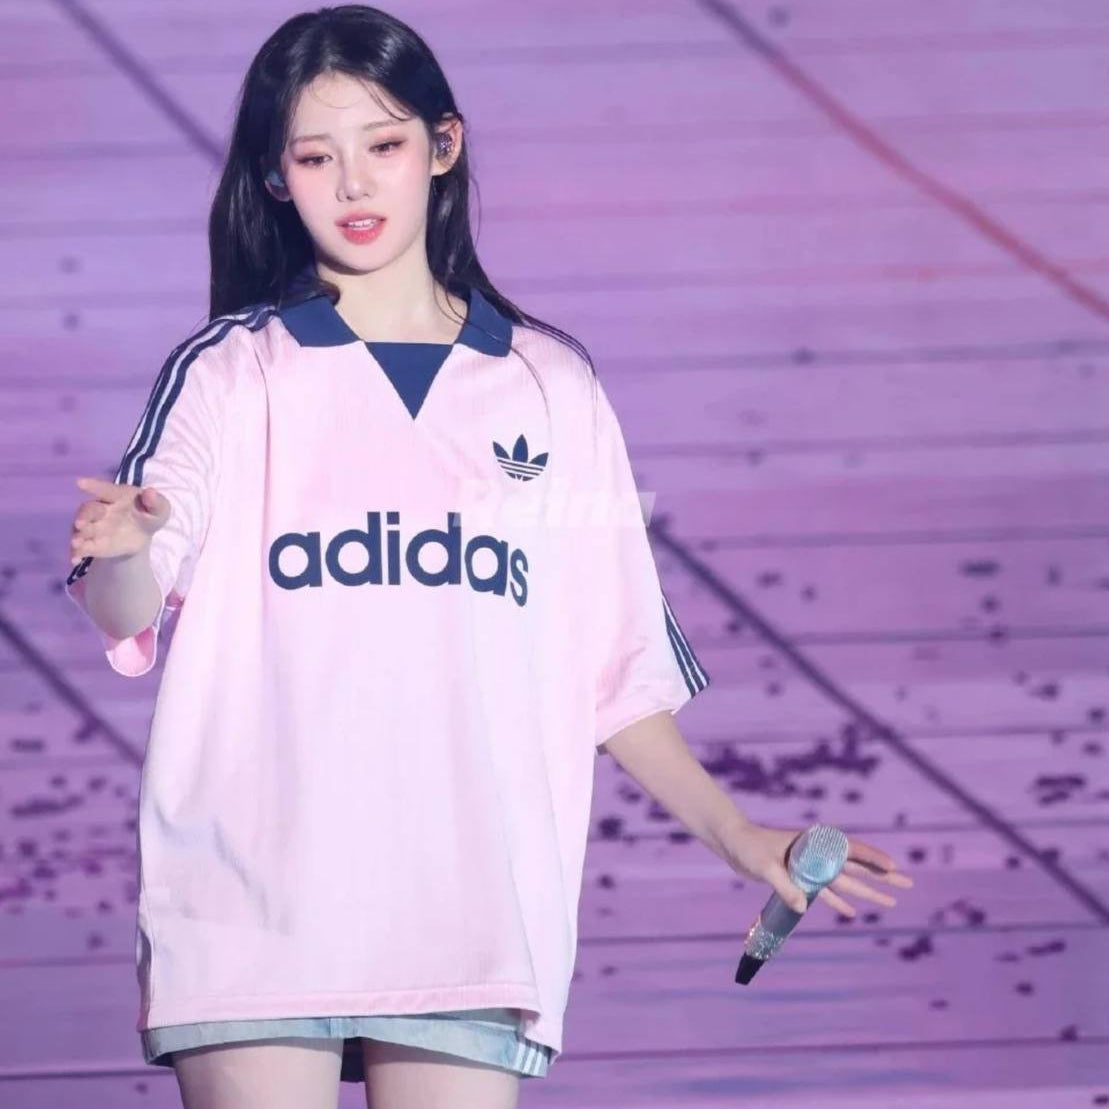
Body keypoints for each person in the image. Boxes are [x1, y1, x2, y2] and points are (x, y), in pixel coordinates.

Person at [64, 6, 913, 1108]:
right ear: (275, 178)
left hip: (469, 909)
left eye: (383, 144)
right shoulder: (231, 372)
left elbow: (612, 667)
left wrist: (739, 833)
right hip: (251, 901)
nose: (354, 184)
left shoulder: (549, 385)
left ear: (442, 145)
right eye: (315, 158)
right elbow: (125, 603)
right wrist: (124, 549)